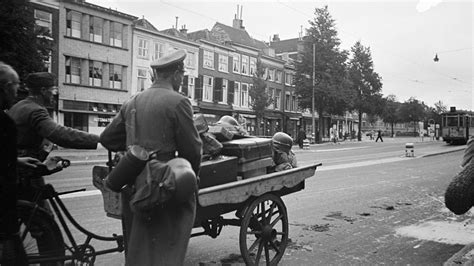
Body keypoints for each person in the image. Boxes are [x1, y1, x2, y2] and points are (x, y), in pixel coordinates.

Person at [100, 49, 202, 265]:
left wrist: (134, 150)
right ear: (176, 74)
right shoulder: (179, 102)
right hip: (162, 184)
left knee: (138, 246)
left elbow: (107, 138)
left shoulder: (132, 101)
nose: (181, 80)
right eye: (182, 76)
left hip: (132, 182)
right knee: (165, 247)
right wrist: (191, 176)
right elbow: (192, 149)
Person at [8, 72, 99, 203]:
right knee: (41, 218)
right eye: (53, 90)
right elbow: (60, 134)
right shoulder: (35, 110)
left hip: (18, 169)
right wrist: (100, 140)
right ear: (43, 90)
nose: (55, 94)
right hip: (24, 175)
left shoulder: (19, 106)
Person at [0, 62, 41, 265]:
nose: (18, 90)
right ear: (7, 86)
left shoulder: (10, 111)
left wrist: (16, 160)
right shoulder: (5, 119)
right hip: (3, 200)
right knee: (11, 247)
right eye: (15, 85)